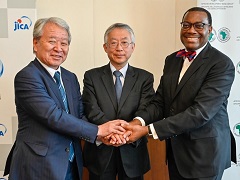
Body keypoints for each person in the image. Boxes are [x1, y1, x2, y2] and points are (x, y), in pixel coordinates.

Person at [3, 17, 127, 180]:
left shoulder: (70, 77)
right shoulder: (27, 77)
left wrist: (101, 136)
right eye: (52, 41)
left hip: (72, 163)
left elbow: (79, 115)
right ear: (35, 43)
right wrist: (99, 130)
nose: (58, 48)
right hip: (38, 166)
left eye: (64, 43)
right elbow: (53, 116)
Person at [121, 7, 237, 180]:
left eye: (199, 25)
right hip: (177, 153)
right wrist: (136, 122)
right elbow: (160, 101)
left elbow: (201, 113)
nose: (191, 30)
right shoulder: (172, 59)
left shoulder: (221, 64)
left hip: (205, 155)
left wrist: (147, 130)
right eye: (186, 25)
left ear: (210, 30)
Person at [82, 23, 155, 180]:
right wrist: (111, 132)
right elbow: (91, 108)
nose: (119, 48)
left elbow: (147, 109)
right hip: (100, 150)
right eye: (113, 43)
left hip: (133, 151)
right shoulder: (91, 76)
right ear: (105, 47)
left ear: (132, 47)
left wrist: (126, 131)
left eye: (124, 42)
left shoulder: (144, 78)